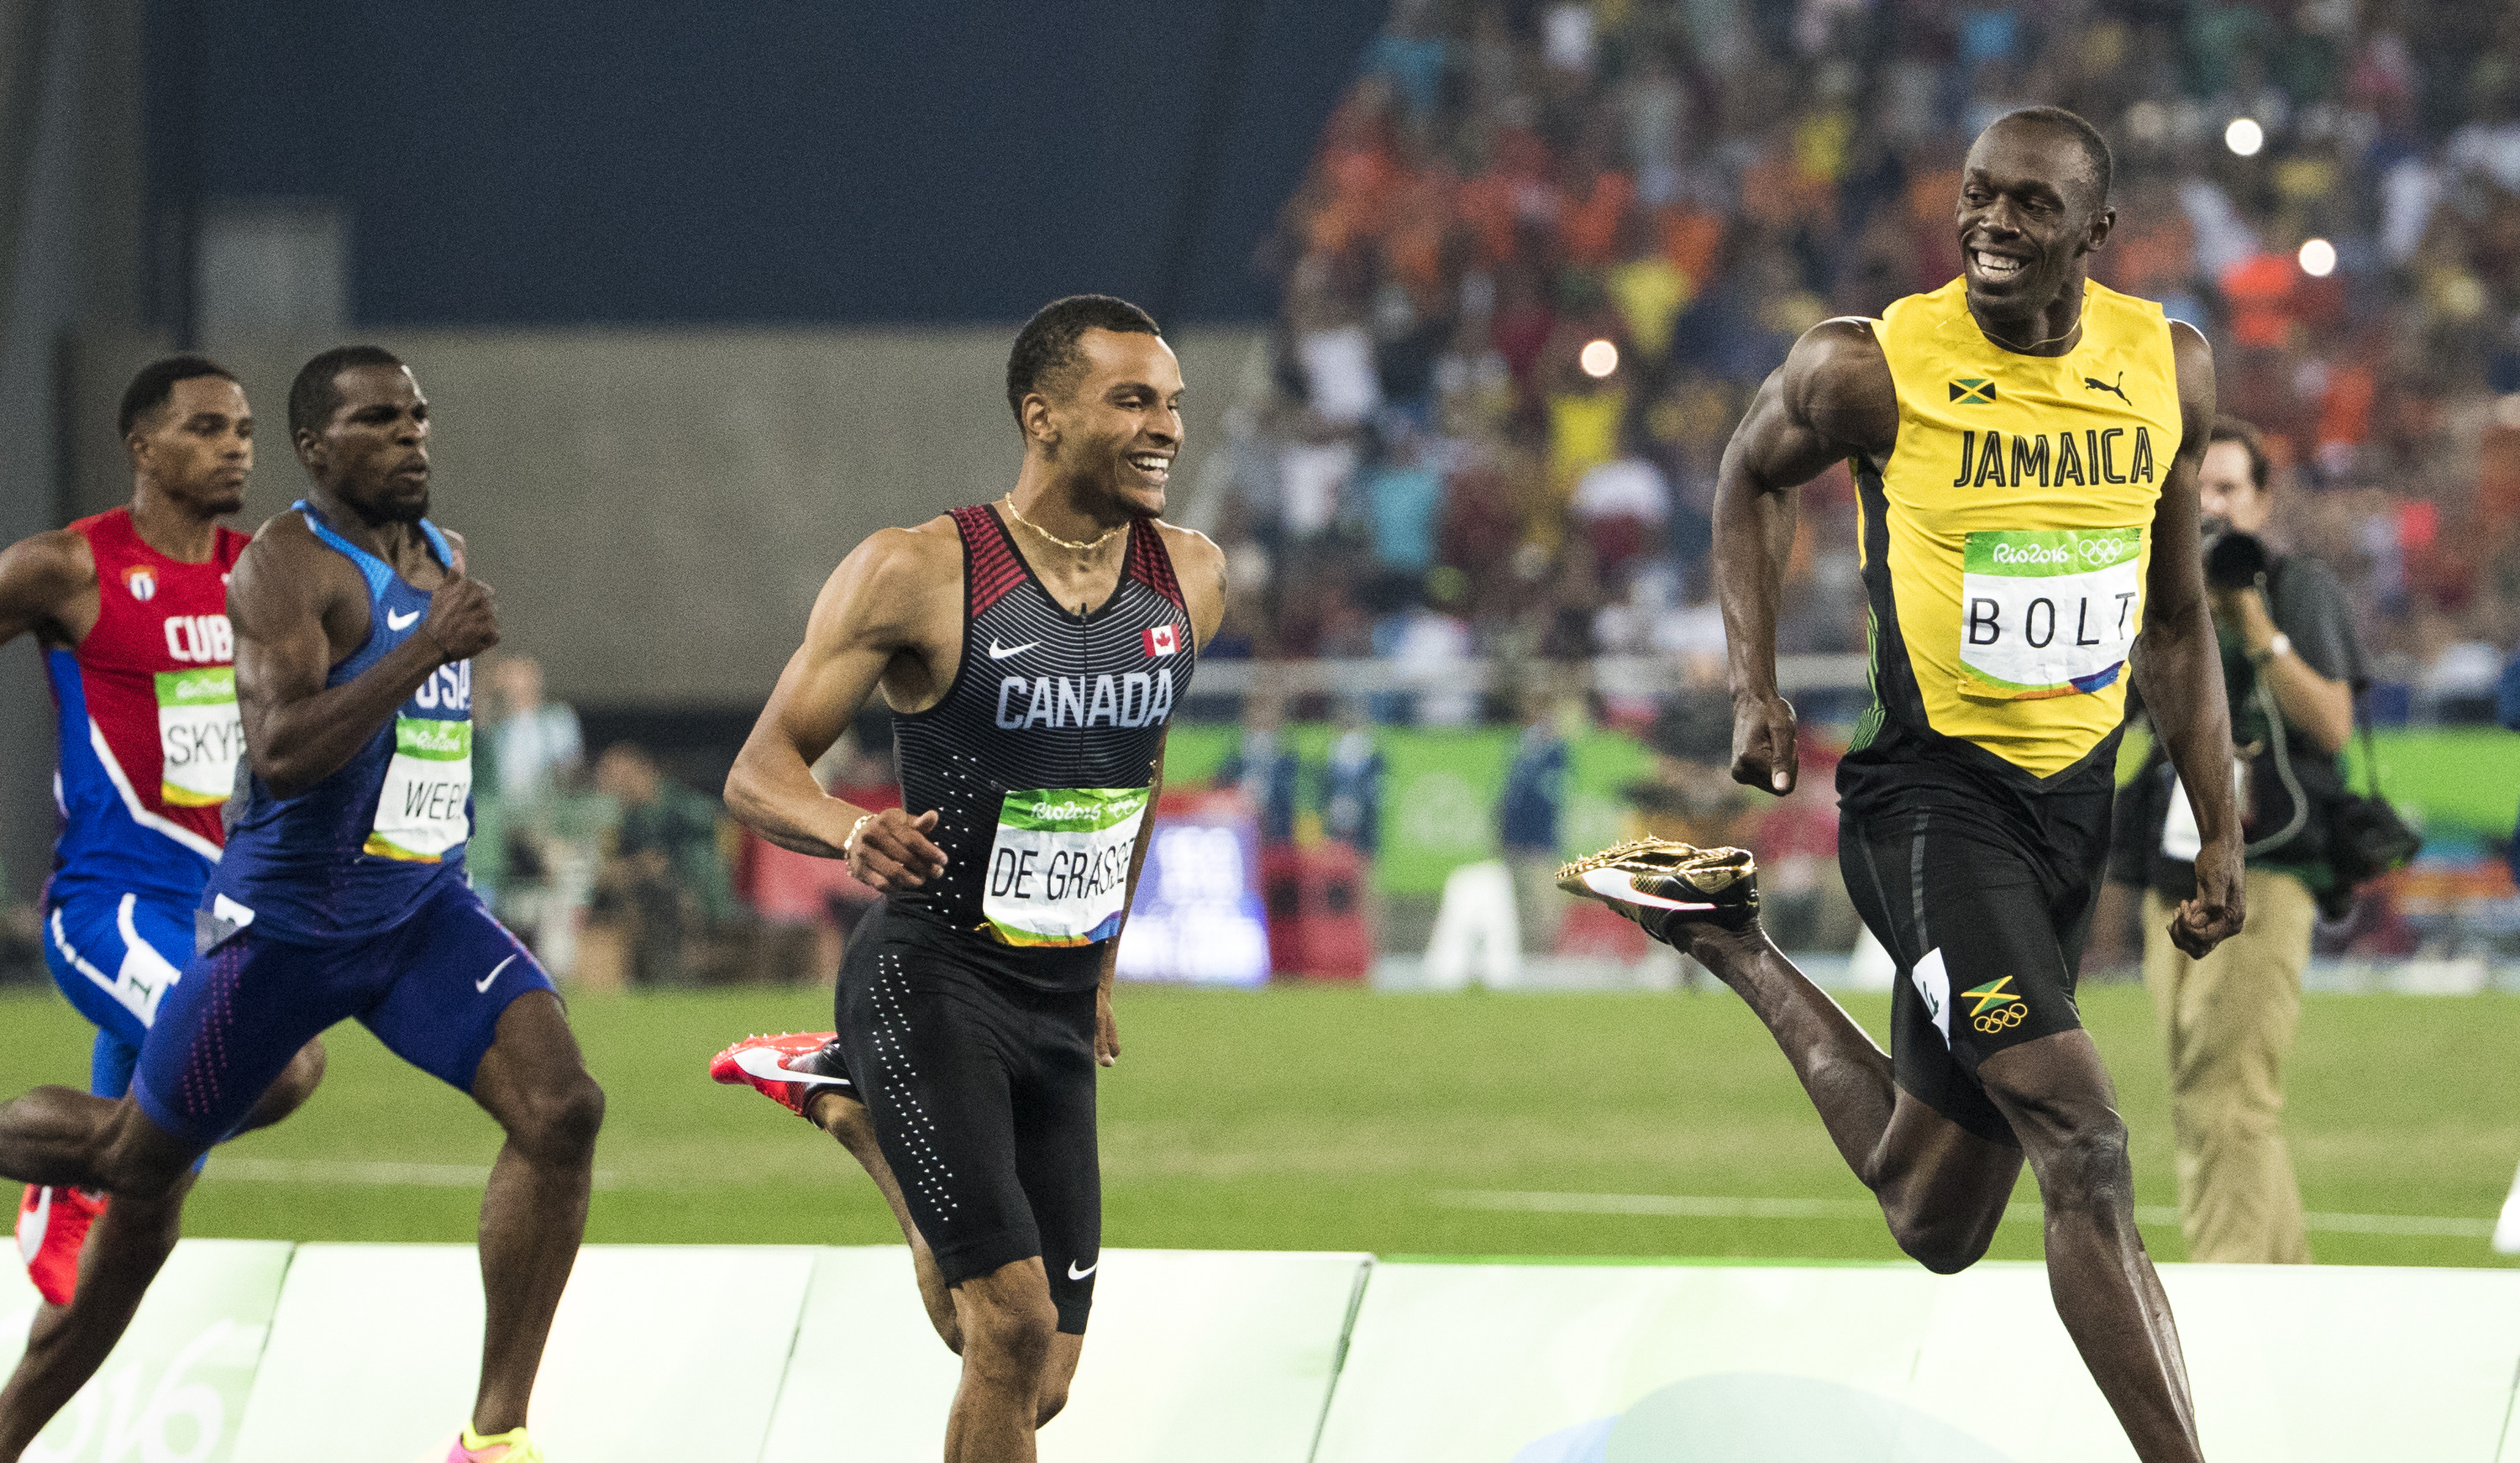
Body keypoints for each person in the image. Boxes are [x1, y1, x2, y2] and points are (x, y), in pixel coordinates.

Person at [1561, 108, 2243, 1463]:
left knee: (1936, 1217)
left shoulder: (2166, 365)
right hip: (1929, 807)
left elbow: (2174, 619)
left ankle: (1728, 942)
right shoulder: (1871, 363)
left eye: (2031, 207)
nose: (1992, 223)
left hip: (2071, 811)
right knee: (2086, 1140)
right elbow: (1749, 476)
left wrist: (2219, 821)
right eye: (1977, 197)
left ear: (2095, 233)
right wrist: (1753, 686)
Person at [0, 346, 605, 1463]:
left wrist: (432, 664)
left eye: (420, 415)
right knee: (141, 1168)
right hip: (283, 931)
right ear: (318, 448)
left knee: (563, 1105)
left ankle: (495, 1435)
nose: (412, 435)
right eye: (381, 420)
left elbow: (420, 743)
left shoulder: (444, 555)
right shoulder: (282, 565)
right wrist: (426, 643)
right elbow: (280, 755)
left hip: (422, 911)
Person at [707, 295, 1225, 1463]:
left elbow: (1128, 783)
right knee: (1009, 1320)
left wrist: (1098, 968)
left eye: (1174, 403)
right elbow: (758, 770)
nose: (1167, 429)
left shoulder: (1192, 576)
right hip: (932, 975)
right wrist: (846, 829)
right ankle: (863, 1085)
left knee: (1035, 1377)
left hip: (1054, 993)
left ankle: (853, 1114)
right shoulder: (917, 570)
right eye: (1132, 399)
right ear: (1042, 416)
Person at [0, 357, 325, 1460]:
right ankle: (66, 1176)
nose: (237, 445)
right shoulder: (70, 567)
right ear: (144, 447)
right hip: (113, 908)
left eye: (242, 428)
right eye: (206, 428)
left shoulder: (266, 575)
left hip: (227, 914)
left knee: (150, 1199)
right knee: (272, 1067)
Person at [2105, 416, 2364, 1265]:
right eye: (2195, 490)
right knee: (2206, 1093)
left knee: (2226, 1094)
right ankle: (2290, 1292)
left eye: (2226, 489)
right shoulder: (2160, 594)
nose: (2209, 506)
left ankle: (2230, 1296)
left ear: (2262, 500)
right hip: (2170, 870)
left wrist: (2251, 616)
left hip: (2268, 866)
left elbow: (2330, 723)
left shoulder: (2296, 587)